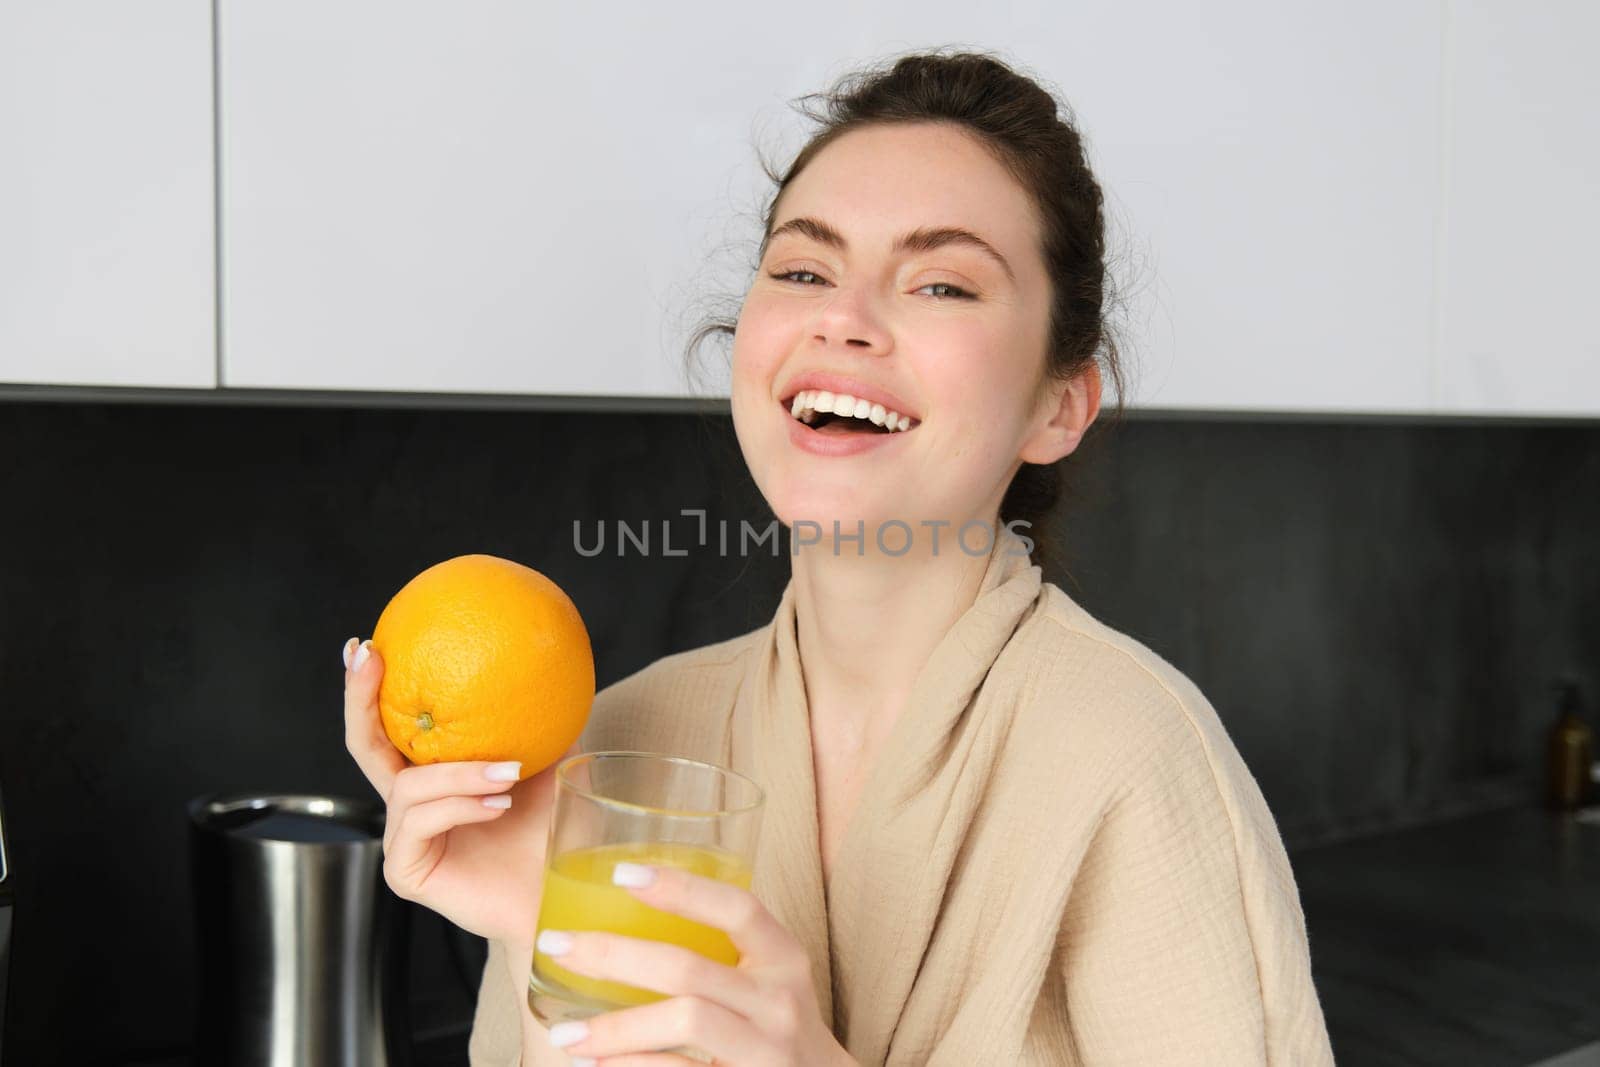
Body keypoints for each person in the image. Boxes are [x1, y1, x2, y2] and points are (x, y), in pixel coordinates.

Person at [343, 48, 1335, 1065]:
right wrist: (533, 925)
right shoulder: (618, 745)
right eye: (803, 269)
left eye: (942, 283)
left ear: (1057, 404)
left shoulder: (1134, 759)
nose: (843, 318)